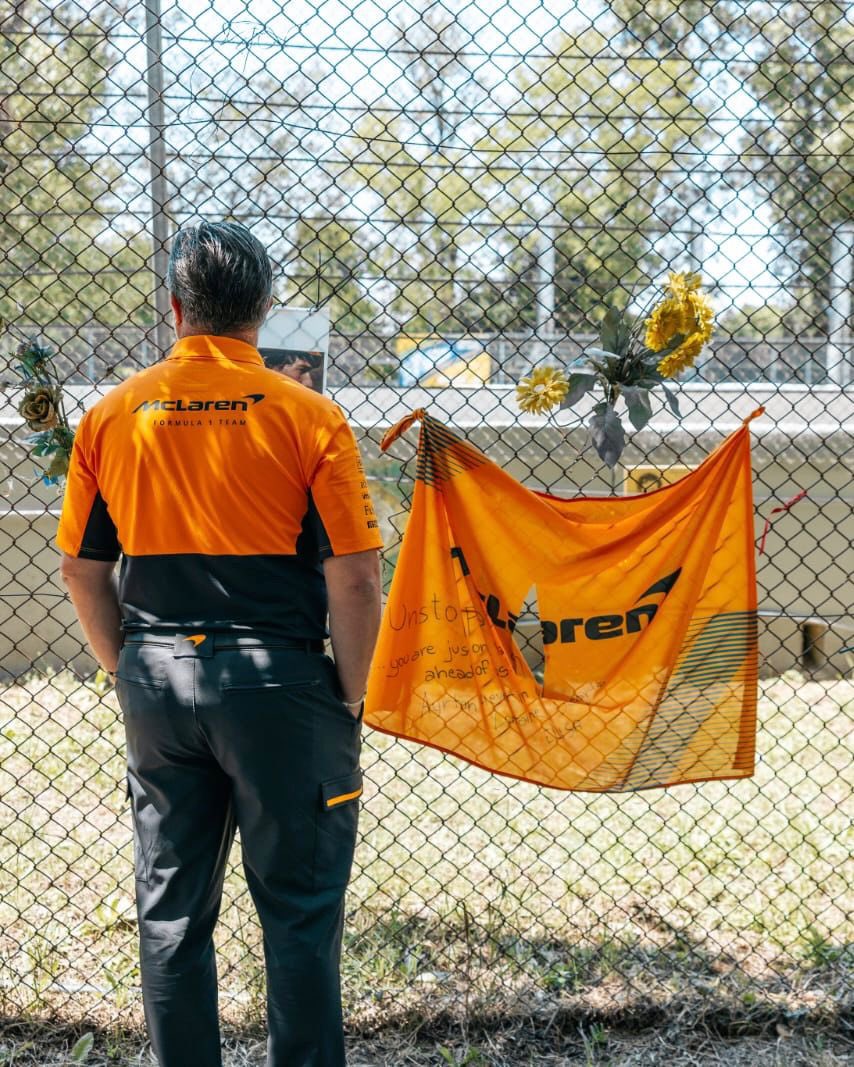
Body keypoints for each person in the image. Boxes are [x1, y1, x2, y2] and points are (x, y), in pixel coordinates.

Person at [56, 220, 383, 1067]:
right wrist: (348, 692)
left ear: (174, 309)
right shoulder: (309, 416)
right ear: (263, 313)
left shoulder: (111, 415)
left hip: (158, 680)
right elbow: (353, 575)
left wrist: (130, 667)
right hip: (280, 684)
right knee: (300, 911)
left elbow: (81, 569)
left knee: (171, 912)